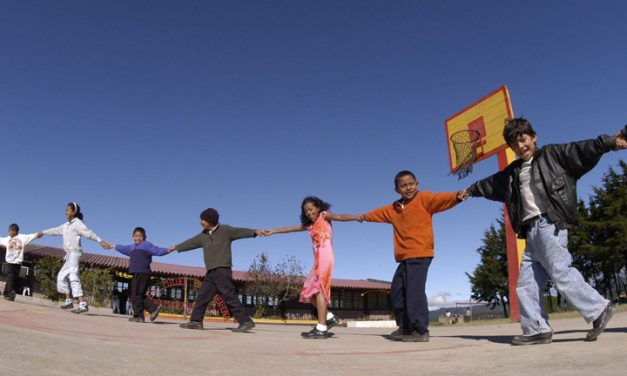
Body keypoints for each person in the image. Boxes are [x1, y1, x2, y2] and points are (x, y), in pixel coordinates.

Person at [465, 119, 627, 345]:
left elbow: (581, 150)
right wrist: (471, 190)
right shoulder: (513, 173)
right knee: (525, 283)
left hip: (549, 224)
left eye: (523, 140)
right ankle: (536, 329)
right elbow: (490, 184)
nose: (520, 146)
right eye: (514, 144)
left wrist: (608, 143)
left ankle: (599, 308)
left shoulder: (554, 156)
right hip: (530, 232)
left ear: (533, 137)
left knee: (560, 272)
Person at [358, 170, 467, 342]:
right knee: (397, 291)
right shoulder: (393, 209)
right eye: (403, 186)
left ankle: (420, 330)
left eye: (411, 184)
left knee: (414, 292)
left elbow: (440, 199)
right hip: (405, 257)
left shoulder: (423, 199)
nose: (408, 188)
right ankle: (405, 327)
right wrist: (363, 217)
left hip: (421, 253)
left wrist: (457, 197)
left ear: (417, 184)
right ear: (397, 189)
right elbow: (375, 214)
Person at [264, 196, 360, 339]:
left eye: (311, 209)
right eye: (306, 211)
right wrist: (273, 231)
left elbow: (340, 216)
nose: (309, 213)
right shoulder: (310, 225)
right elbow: (290, 228)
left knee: (319, 289)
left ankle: (321, 327)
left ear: (318, 208)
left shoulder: (324, 216)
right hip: (317, 260)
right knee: (309, 292)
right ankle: (329, 317)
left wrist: (355, 217)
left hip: (326, 257)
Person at [167, 208, 264, 332]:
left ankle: (245, 321)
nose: (200, 222)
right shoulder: (203, 235)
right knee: (203, 295)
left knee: (228, 295)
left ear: (210, 220)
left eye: (203, 220)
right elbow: (190, 242)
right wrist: (176, 247)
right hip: (211, 272)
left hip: (223, 269)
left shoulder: (226, 231)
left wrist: (255, 232)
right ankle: (196, 321)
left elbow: (240, 231)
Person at [39, 202, 112, 314]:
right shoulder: (66, 225)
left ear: (74, 212)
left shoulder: (78, 223)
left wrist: (100, 241)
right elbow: (54, 230)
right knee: (61, 277)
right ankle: (68, 301)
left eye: (68, 210)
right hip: (69, 254)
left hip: (75, 253)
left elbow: (89, 233)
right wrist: (43, 232)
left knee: (73, 276)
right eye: (66, 210)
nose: (65, 212)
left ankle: (82, 304)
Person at [111, 227, 169, 323]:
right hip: (135, 273)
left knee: (137, 294)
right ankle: (142, 314)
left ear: (144, 237)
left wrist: (168, 250)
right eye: (136, 236)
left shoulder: (146, 245)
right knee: (135, 294)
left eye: (140, 236)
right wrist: (113, 246)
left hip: (143, 273)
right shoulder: (132, 247)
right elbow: (123, 248)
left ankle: (146, 312)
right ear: (133, 237)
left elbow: (157, 250)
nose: (138, 238)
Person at [0, 224, 42, 301]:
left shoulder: (23, 238)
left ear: (13, 230)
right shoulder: (7, 239)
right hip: (9, 262)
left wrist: (37, 235)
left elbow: (30, 236)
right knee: (11, 276)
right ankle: (11, 292)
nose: (8, 233)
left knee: (13, 278)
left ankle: (6, 293)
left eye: (9, 231)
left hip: (18, 263)